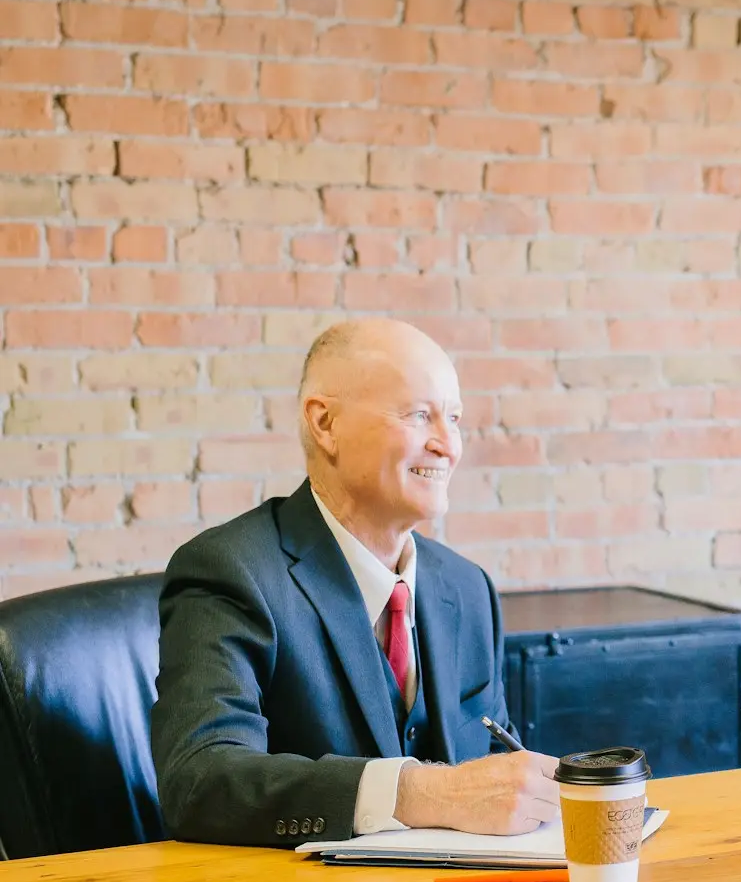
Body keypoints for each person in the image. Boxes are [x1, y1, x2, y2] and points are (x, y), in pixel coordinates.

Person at [151, 319, 559, 847]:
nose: (448, 445)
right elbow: (198, 783)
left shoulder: (467, 587)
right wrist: (421, 793)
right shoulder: (230, 570)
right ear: (325, 424)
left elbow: (493, 773)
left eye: (454, 418)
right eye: (418, 415)